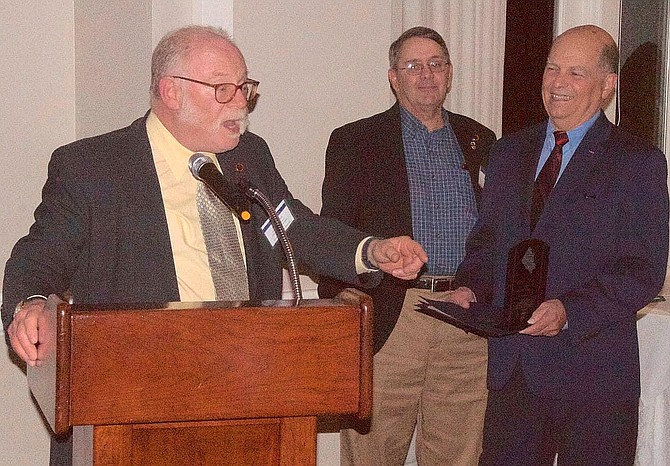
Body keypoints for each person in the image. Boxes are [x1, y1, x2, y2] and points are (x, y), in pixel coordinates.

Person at [1, 25, 428, 465]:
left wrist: (370, 250)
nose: (241, 103)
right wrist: (31, 305)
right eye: (224, 90)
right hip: (133, 406)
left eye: (245, 88)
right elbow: (37, 258)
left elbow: (296, 229)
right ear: (171, 92)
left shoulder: (250, 158)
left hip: (250, 393)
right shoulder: (94, 167)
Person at [448, 25, 669, 465]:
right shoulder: (509, 152)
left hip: (594, 379)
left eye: (576, 72)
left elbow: (642, 270)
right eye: (552, 68)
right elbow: (488, 239)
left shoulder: (637, 162)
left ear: (607, 86)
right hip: (514, 372)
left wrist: (569, 310)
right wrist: (470, 285)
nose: (558, 82)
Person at [318, 26, 496, 465]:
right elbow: (332, 231)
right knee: (373, 454)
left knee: (458, 455)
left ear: (450, 74)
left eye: (437, 64)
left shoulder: (480, 140)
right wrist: (342, 303)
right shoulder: (355, 142)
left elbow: (500, 230)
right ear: (394, 78)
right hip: (393, 319)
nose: (427, 75)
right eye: (414, 66)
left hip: (465, 319)